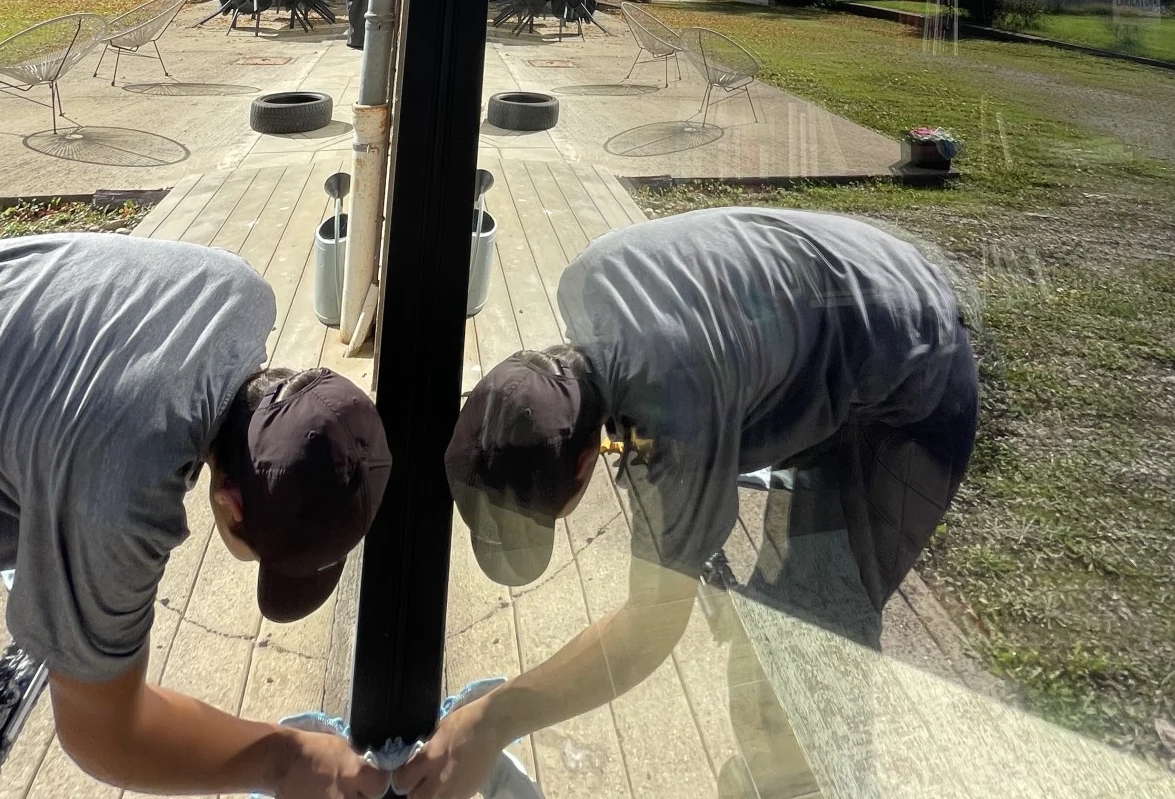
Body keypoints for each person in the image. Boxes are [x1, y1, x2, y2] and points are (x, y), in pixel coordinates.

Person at [401, 207, 978, 799]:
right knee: (775, 630)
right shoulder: (585, 281)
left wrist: (491, 721)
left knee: (815, 636)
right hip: (862, 291)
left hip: (915, 381)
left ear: (585, 461)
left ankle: (809, 783)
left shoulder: (677, 427)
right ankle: (782, 774)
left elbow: (648, 630)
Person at [0, 232, 393, 799]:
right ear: (231, 504)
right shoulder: (121, 490)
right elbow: (105, 733)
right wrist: (286, 759)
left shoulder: (238, 291)